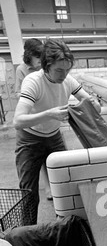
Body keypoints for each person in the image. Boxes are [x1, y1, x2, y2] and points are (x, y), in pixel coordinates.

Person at [13, 39, 101, 224]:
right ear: (46, 66)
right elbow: (18, 121)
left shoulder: (67, 80)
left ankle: (65, 229)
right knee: (29, 192)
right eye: (59, 70)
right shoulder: (33, 82)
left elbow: (91, 104)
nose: (64, 75)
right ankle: (26, 236)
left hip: (54, 137)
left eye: (67, 70)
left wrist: (94, 103)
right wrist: (49, 114)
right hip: (29, 140)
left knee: (66, 185)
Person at [15, 38, 53, 201]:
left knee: (50, 160)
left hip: (49, 119)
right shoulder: (21, 70)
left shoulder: (45, 66)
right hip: (31, 119)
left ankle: (51, 188)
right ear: (29, 56)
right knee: (33, 162)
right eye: (38, 58)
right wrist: (30, 97)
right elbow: (18, 93)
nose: (40, 63)